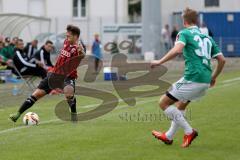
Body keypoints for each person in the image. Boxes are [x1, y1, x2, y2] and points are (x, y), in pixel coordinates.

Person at [150, 8, 225, 148]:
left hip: (193, 78)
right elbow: (222, 60)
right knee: (180, 106)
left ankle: (189, 131)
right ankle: (169, 136)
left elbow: (178, 49)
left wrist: (159, 62)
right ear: (196, 20)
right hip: (204, 80)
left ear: (184, 21)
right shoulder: (207, 37)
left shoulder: (184, 33)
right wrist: (213, 77)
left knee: (163, 103)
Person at [9, 25, 85, 123]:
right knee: (36, 94)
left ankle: (74, 115)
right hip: (54, 74)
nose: (66, 37)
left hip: (68, 76)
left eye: (69, 36)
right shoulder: (66, 42)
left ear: (75, 36)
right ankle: (17, 114)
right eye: (66, 35)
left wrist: (82, 51)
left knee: (69, 94)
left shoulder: (78, 47)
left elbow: (82, 55)